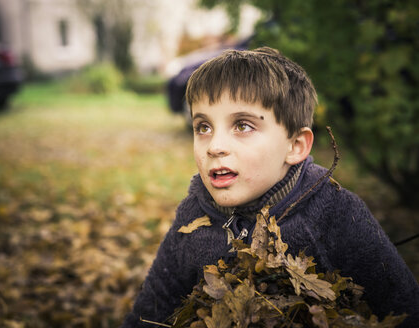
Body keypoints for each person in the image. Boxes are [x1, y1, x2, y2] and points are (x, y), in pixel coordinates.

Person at [121, 47, 419, 327]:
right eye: (204, 127)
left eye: (243, 126)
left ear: (295, 145)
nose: (215, 146)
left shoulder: (335, 212)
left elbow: (404, 309)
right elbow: (151, 313)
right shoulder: (193, 218)